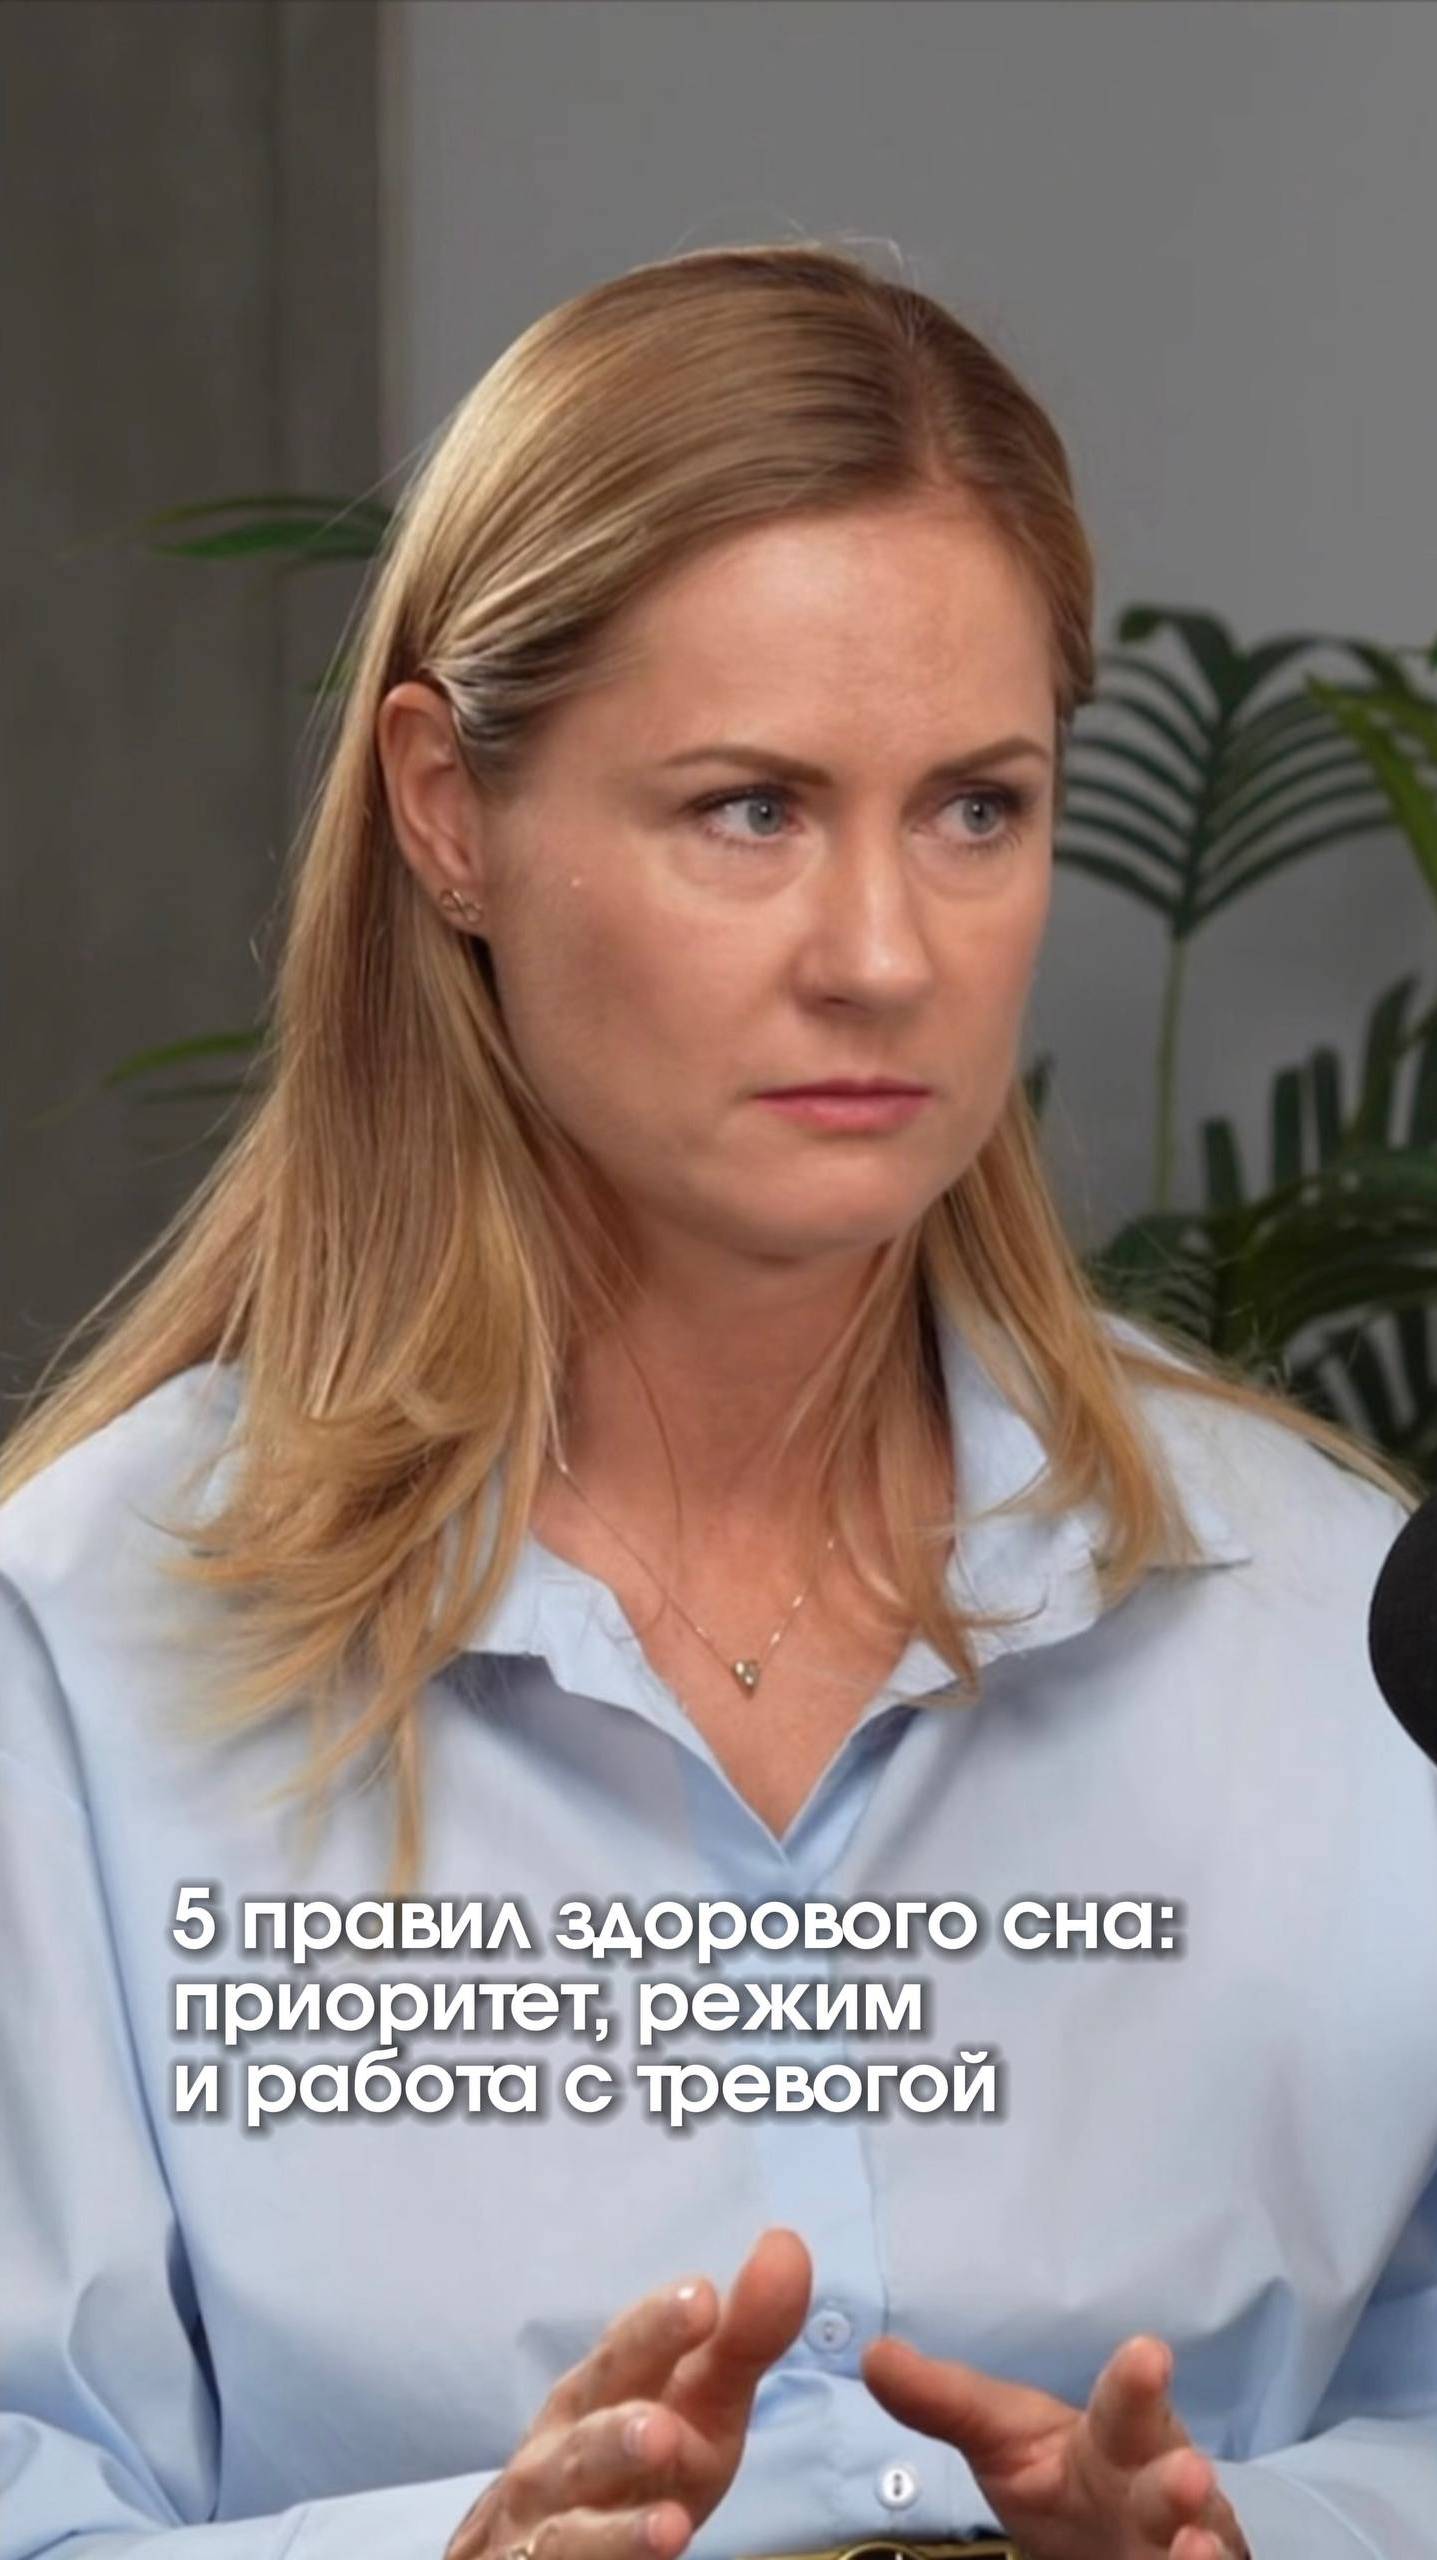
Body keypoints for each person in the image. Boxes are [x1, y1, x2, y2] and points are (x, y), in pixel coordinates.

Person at [2, 239, 1434, 2560]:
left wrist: (1249, 2538)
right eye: (750, 807)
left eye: (973, 807)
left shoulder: (1332, 1617)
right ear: (447, 810)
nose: (881, 953)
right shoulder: (76, 1649)